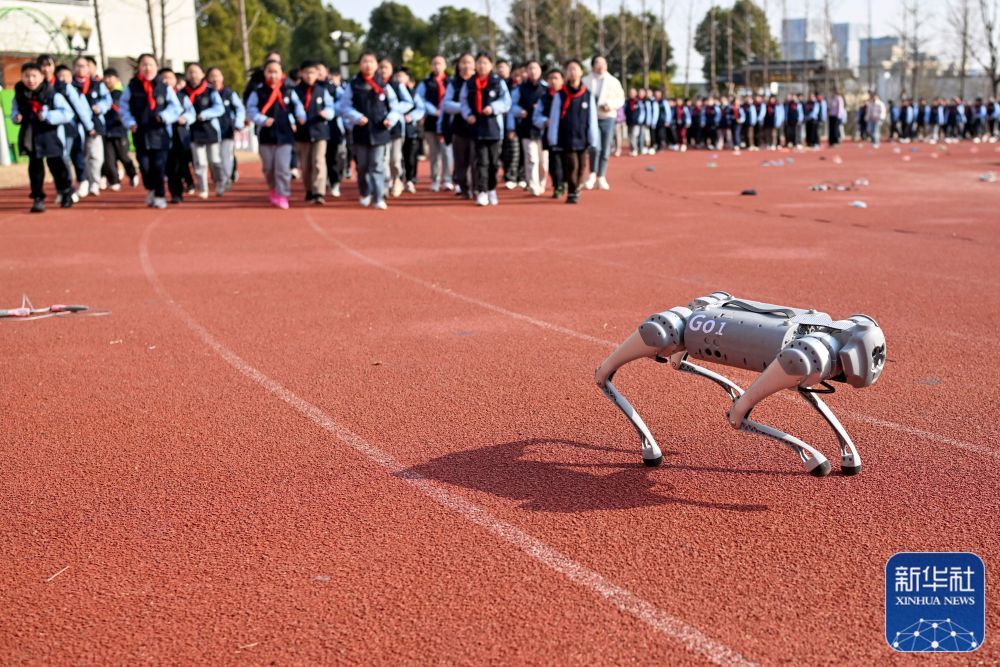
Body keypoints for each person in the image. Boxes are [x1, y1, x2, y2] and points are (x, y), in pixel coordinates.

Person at [337, 51, 400, 210]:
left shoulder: (384, 85)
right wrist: (356, 117)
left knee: (377, 165)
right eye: (364, 61)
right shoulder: (354, 85)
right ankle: (365, 193)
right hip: (361, 131)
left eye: (371, 61)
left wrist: (390, 119)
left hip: (379, 131)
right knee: (363, 166)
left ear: (376, 65)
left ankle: (378, 196)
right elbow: (344, 106)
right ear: (360, 65)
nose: (368, 65)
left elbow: (395, 107)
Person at [119, 53, 183, 209]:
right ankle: (152, 189)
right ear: (139, 67)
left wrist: (164, 116)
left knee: (159, 166)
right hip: (140, 132)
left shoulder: (164, 87)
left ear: (156, 67)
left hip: (160, 133)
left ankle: (160, 195)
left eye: (151, 64)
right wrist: (130, 122)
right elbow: (123, 107)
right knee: (145, 166)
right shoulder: (132, 86)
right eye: (144, 64)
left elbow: (176, 107)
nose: (147, 68)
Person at [10, 62, 75, 212]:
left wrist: (47, 115)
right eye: (27, 76)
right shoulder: (19, 95)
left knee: (57, 166)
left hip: (49, 135)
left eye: (34, 76)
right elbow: (14, 111)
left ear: (41, 77)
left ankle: (65, 192)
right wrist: (16, 117)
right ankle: (38, 198)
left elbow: (67, 113)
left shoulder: (52, 94)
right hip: (30, 135)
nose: (30, 80)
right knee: (35, 169)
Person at [247, 59, 306, 209]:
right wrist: (262, 119)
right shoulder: (258, 92)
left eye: (276, 72)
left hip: (285, 135)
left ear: (281, 74)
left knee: (282, 168)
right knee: (269, 168)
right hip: (265, 135)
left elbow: (297, 105)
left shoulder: (288, 90)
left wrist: (300, 115)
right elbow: (251, 109)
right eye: (270, 72)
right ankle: (273, 189)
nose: (273, 75)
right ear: (265, 73)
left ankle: (283, 193)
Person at [459, 52, 511, 206]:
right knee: (481, 161)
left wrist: (493, 108)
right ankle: (481, 191)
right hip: (477, 127)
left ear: (491, 65)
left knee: (494, 162)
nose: (482, 66)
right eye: (479, 63)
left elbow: (506, 101)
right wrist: (468, 114)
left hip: (494, 127)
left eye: (485, 63)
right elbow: (463, 102)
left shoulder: (497, 82)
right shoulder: (469, 83)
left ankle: (491, 189)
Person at [546, 59, 598, 204]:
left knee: (582, 167)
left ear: (581, 72)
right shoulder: (560, 95)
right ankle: (572, 191)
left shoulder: (587, 94)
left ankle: (576, 188)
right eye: (569, 69)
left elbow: (592, 118)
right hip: (566, 137)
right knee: (571, 165)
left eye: (575, 69)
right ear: (566, 73)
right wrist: (553, 138)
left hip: (582, 136)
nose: (573, 72)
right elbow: (555, 117)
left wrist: (593, 138)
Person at [292, 59, 335, 205]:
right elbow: (291, 109)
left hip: (320, 131)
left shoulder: (322, 90)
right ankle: (309, 190)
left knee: (318, 161)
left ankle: (319, 192)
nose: (310, 76)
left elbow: (331, 108)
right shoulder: (295, 91)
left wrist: (327, 113)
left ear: (318, 74)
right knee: (306, 164)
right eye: (306, 73)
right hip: (303, 132)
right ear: (301, 74)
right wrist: (295, 119)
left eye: (312, 73)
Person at [181, 63, 225, 200]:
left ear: (202, 75)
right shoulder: (183, 93)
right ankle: (203, 188)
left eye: (196, 72)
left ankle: (219, 182)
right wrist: (189, 118)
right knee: (199, 162)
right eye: (190, 72)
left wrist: (204, 114)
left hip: (210, 130)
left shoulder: (210, 91)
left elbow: (219, 108)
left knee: (214, 161)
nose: (193, 75)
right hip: (193, 132)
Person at [581, 56, 624, 190]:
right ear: (593, 65)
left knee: (605, 148)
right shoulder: (585, 81)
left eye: (603, 63)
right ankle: (592, 174)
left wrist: (610, 105)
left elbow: (621, 99)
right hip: (592, 118)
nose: (600, 66)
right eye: (598, 63)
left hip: (608, 117)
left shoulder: (613, 81)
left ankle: (601, 175)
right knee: (594, 147)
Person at [71, 55, 110, 197]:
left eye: (84, 66)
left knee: (96, 156)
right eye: (78, 66)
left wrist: (100, 107)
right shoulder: (71, 86)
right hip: (77, 126)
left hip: (96, 125)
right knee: (81, 156)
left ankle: (95, 181)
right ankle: (83, 181)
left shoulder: (97, 84)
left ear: (89, 68)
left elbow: (108, 100)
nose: (81, 69)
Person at [414, 55, 453, 192]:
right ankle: (435, 179)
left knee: (447, 152)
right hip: (431, 121)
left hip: (447, 122)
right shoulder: (425, 83)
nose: (437, 66)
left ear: (445, 65)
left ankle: (447, 179)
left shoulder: (450, 82)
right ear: (431, 65)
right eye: (435, 63)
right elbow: (419, 99)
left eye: (440, 63)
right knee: (434, 153)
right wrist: (432, 110)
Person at [510, 59, 547, 196]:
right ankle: (533, 185)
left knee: (543, 161)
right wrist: (520, 111)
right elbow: (511, 105)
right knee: (531, 158)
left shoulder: (546, 88)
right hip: (527, 128)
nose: (533, 71)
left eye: (535, 68)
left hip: (543, 130)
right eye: (530, 69)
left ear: (540, 70)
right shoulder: (520, 89)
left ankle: (542, 183)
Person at [206, 66, 245, 196]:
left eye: (218, 75)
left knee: (226, 156)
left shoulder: (229, 93)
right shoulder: (206, 93)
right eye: (212, 76)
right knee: (213, 159)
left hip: (227, 131)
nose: (215, 78)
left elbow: (239, 109)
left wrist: (238, 123)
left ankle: (226, 179)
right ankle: (219, 179)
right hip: (209, 132)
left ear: (222, 77)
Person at [442, 53, 476, 199]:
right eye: (463, 62)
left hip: (477, 128)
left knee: (476, 161)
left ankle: (477, 188)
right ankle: (464, 188)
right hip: (459, 128)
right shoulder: (454, 83)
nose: (466, 66)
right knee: (461, 162)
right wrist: (465, 108)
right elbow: (446, 104)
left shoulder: (480, 82)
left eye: (469, 62)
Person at [99, 68, 138, 191]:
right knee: (109, 158)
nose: (108, 80)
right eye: (106, 77)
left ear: (116, 78)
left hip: (119, 130)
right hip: (106, 131)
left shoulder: (121, 93)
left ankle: (132, 174)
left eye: (111, 77)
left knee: (123, 156)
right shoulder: (103, 93)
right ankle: (114, 180)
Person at [160, 68, 196, 203]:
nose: (167, 80)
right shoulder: (156, 96)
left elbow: (191, 113)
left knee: (179, 164)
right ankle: (175, 192)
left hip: (180, 134)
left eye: (170, 77)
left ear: (175, 81)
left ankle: (179, 191)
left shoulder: (182, 97)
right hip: (162, 135)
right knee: (169, 166)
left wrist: (185, 118)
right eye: (164, 77)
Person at [534, 68, 565, 199]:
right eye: (550, 78)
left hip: (567, 134)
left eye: (556, 78)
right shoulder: (544, 97)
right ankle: (557, 186)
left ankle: (566, 182)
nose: (553, 81)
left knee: (568, 161)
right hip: (551, 135)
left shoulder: (567, 95)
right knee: (554, 162)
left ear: (562, 80)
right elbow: (536, 116)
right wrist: (545, 121)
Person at [624, 88, 643, 156]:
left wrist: (640, 120)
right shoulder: (627, 102)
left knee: (634, 136)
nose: (631, 94)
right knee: (630, 136)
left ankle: (635, 149)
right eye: (630, 92)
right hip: (629, 122)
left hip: (636, 122)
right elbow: (625, 111)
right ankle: (632, 149)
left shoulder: (638, 102)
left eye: (633, 92)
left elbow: (642, 112)